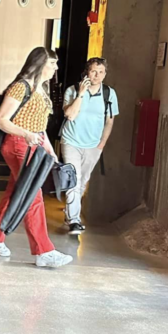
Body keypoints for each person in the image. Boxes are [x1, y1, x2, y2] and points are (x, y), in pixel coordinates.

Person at [0, 47, 73, 268]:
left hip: (33, 145)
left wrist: (49, 149)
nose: (56, 68)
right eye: (53, 63)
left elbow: (39, 128)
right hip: (18, 146)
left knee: (14, 192)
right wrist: (27, 134)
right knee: (33, 195)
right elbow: (2, 120)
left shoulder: (39, 89)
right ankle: (43, 251)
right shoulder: (20, 87)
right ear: (40, 64)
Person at [60, 57, 117, 234]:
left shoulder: (109, 93)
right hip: (71, 141)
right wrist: (81, 94)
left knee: (82, 182)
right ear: (87, 72)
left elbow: (109, 121)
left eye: (101, 72)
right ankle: (74, 220)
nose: (97, 75)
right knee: (73, 181)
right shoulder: (73, 90)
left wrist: (102, 144)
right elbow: (69, 115)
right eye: (93, 71)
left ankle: (70, 213)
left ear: (105, 74)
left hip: (93, 144)